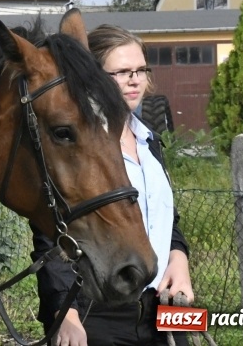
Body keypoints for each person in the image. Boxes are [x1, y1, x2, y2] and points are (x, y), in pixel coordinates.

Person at [31, 24, 193, 346]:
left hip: (161, 308)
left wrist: (179, 258)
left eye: (140, 70)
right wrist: (66, 314)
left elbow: (163, 219)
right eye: (120, 72)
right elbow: (51, 236)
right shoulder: (78, 152)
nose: (134, 80)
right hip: (97, 310)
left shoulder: (150, 143)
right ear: (93, 78)